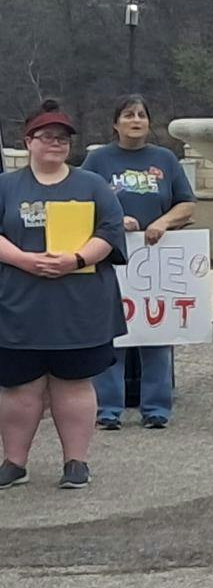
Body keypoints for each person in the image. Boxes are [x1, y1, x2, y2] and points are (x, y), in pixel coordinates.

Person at [0, 103, 128, 490]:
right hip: (18, 304)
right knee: (19, 387)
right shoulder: (6, 186)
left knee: (73, 383)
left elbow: (109, 232)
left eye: (62, 138)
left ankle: (76, 462)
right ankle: (14, 462)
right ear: (28, 142)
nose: (54, 144)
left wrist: (75, 259)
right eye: (46, 137)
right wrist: (23, 259)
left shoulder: (93, 185)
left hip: (80, 304)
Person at [80, 96, 195, 430]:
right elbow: (80, 201)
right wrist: (116, 219)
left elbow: (186, 204)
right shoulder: (97, 160)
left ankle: (157, 409)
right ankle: (108, 410)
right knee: (113, 334)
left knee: (156, 334)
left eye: (142, 115)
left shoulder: (165, 159)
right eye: (128, 115)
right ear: (115, 124)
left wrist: (164, 222)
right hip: (111, 258)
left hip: (156, 260)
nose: (136, 120)